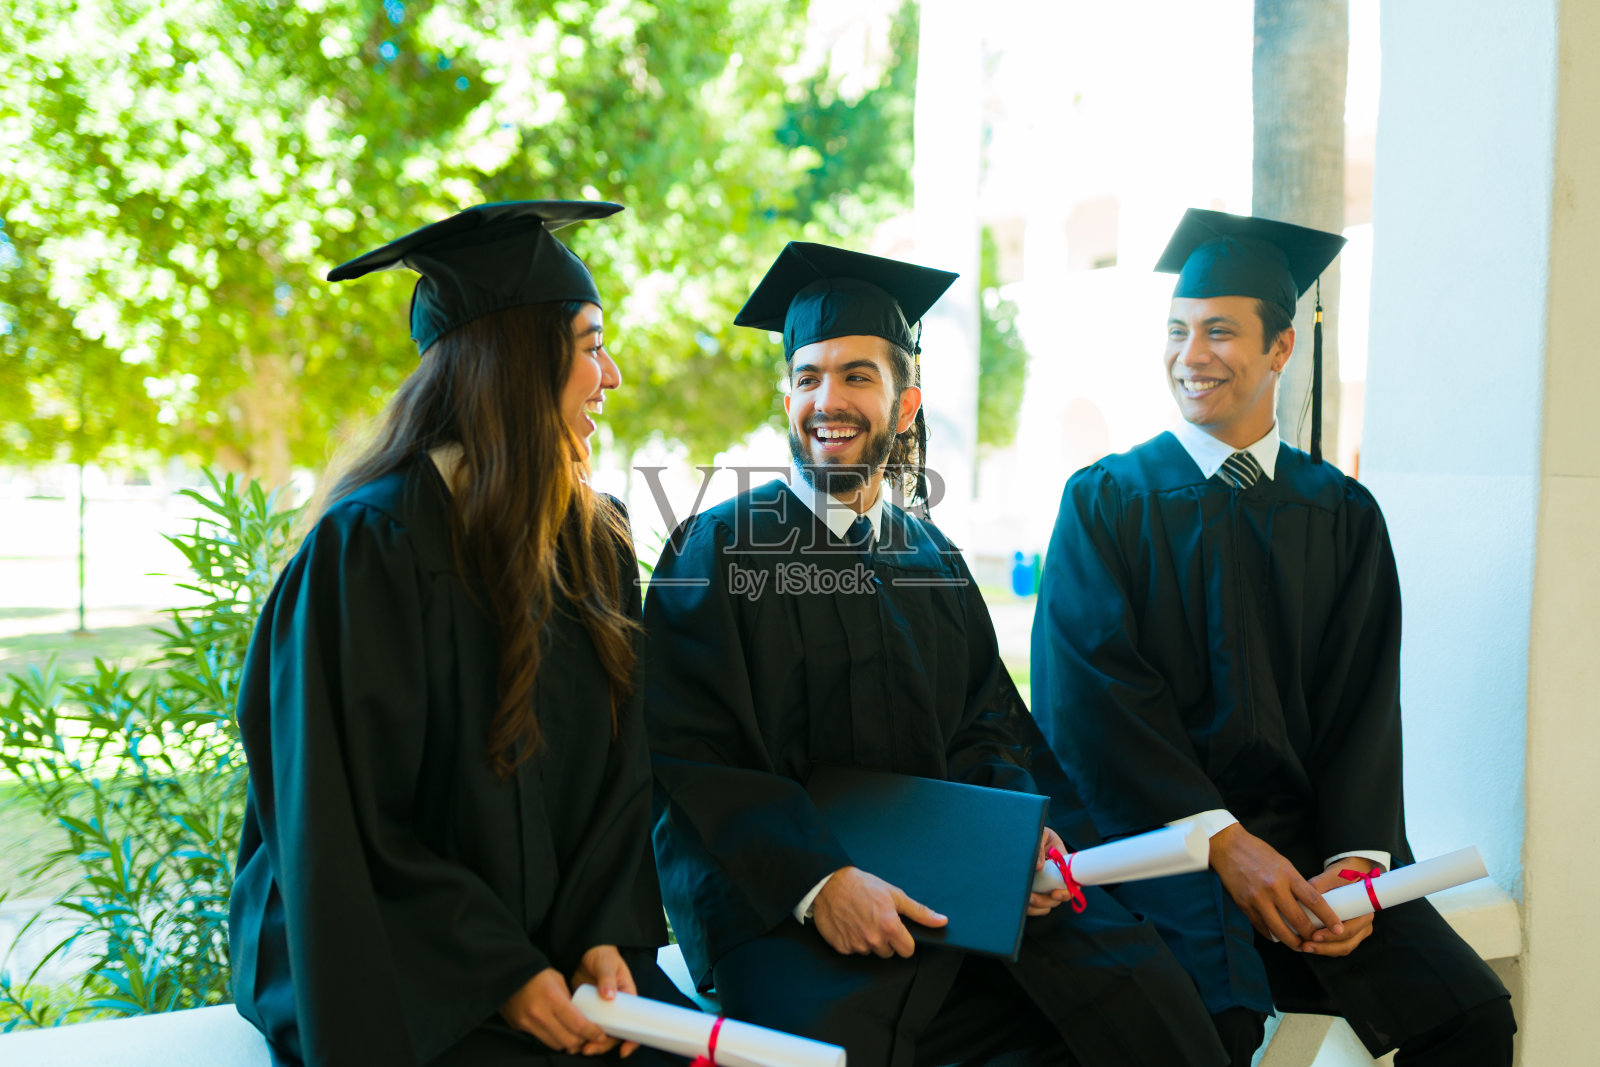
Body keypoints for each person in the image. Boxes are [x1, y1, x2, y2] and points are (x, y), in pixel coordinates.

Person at [643, 241, 1228, 1067]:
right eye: (808, 378)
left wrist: (1015, 844)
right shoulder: (721, 548)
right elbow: (692, 752)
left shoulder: (933, 559)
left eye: (856, 376)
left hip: (954, 889)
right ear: (787, 398)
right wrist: (819, 885)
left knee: (1139, 991)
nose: (827, 401)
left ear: (905, 403)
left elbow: (987, 725)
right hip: (784, 904)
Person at [1030, 208, 1516, 1065]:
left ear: (1281, 349)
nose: (1191, 354)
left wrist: (1360, 868)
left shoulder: (1339, 512)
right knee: (1211, 1027)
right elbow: (1094, 704)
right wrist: (1224, 843)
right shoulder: (1107, 500)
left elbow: (1361, 704)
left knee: (1468, 1014)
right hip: (1164, 850)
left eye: (1220, 331)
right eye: (1178, 330)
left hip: (1314, 855)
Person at [229, 201, 690, 1067]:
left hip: (561, 959)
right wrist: (501, 975)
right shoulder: (370, 548)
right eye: (591, 345)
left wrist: (603, 940)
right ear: (519, 361)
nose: (612, 374)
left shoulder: (595, 544)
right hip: (394, 971)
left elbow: (621, 782)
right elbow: (343, 821)